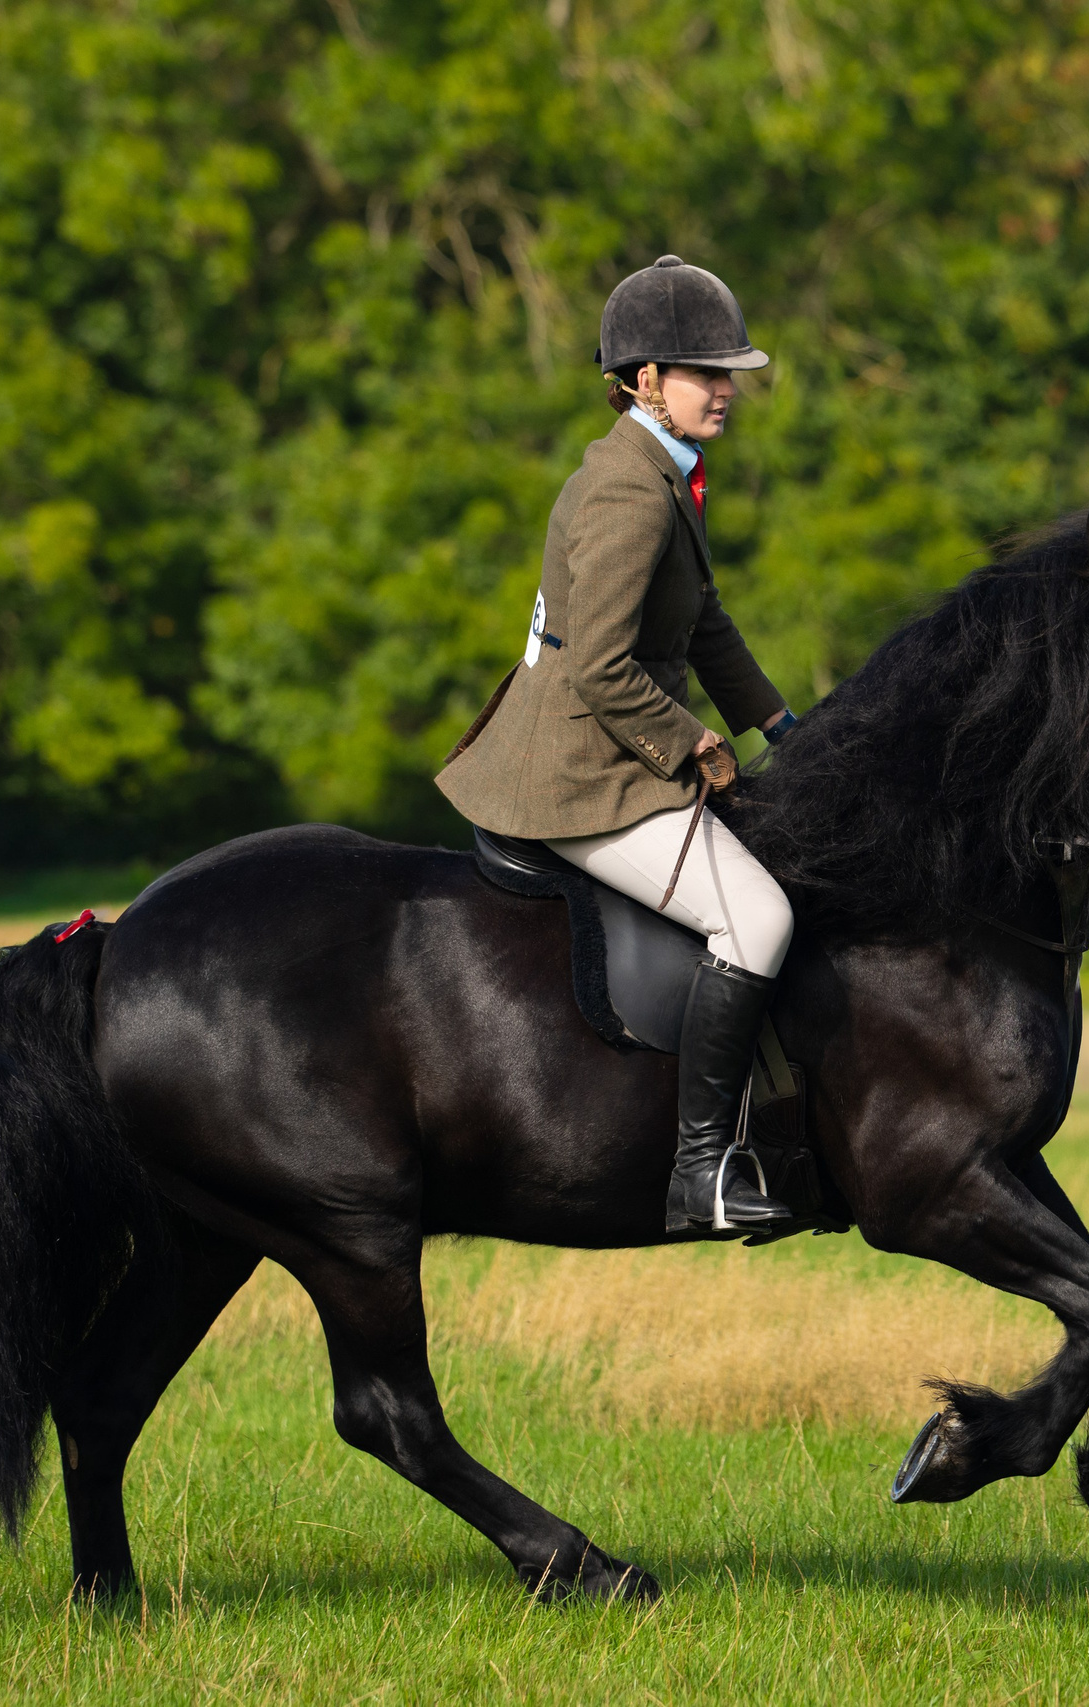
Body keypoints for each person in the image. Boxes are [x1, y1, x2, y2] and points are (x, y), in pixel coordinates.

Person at [438, 255, 801, 1237]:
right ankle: (702, 1173)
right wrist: (694, 746)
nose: (726, 388)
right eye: (705, 372)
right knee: (757, 923)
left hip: (607, 748)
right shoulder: (626, 493)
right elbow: (600, 669)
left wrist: (780, 725)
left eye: (730, 371)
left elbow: (705, 620)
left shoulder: (660, 469)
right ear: (645, 381)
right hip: (582, 774)